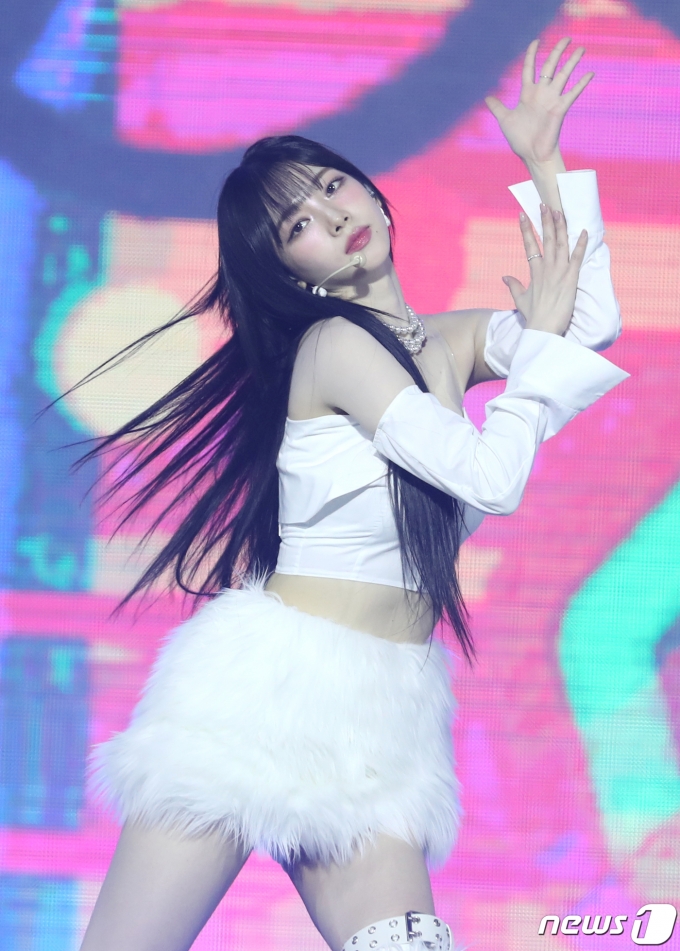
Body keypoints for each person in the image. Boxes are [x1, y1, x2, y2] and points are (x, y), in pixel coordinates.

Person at [79, 37, 628, 951]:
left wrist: (546, 165)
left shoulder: (448, 340)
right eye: (299, 222)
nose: (333, 215)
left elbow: (589, 327)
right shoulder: (335, 350)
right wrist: (536, 352)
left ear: (371, 190)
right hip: (263, 701)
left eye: (333, 186)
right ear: (291, 268)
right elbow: (491, 474)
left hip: (384, 720)